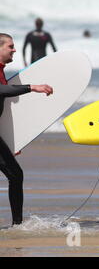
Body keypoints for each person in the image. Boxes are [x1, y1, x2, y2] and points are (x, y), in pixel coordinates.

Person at [0, 33, 53, 226]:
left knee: (15, 174)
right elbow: (1, 90)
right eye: (10, 46)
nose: (14, 49)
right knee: (15, 174)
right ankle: (17, 224)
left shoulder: (1, 70)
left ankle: (17, 224)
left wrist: (12, 140)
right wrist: (32, 87)